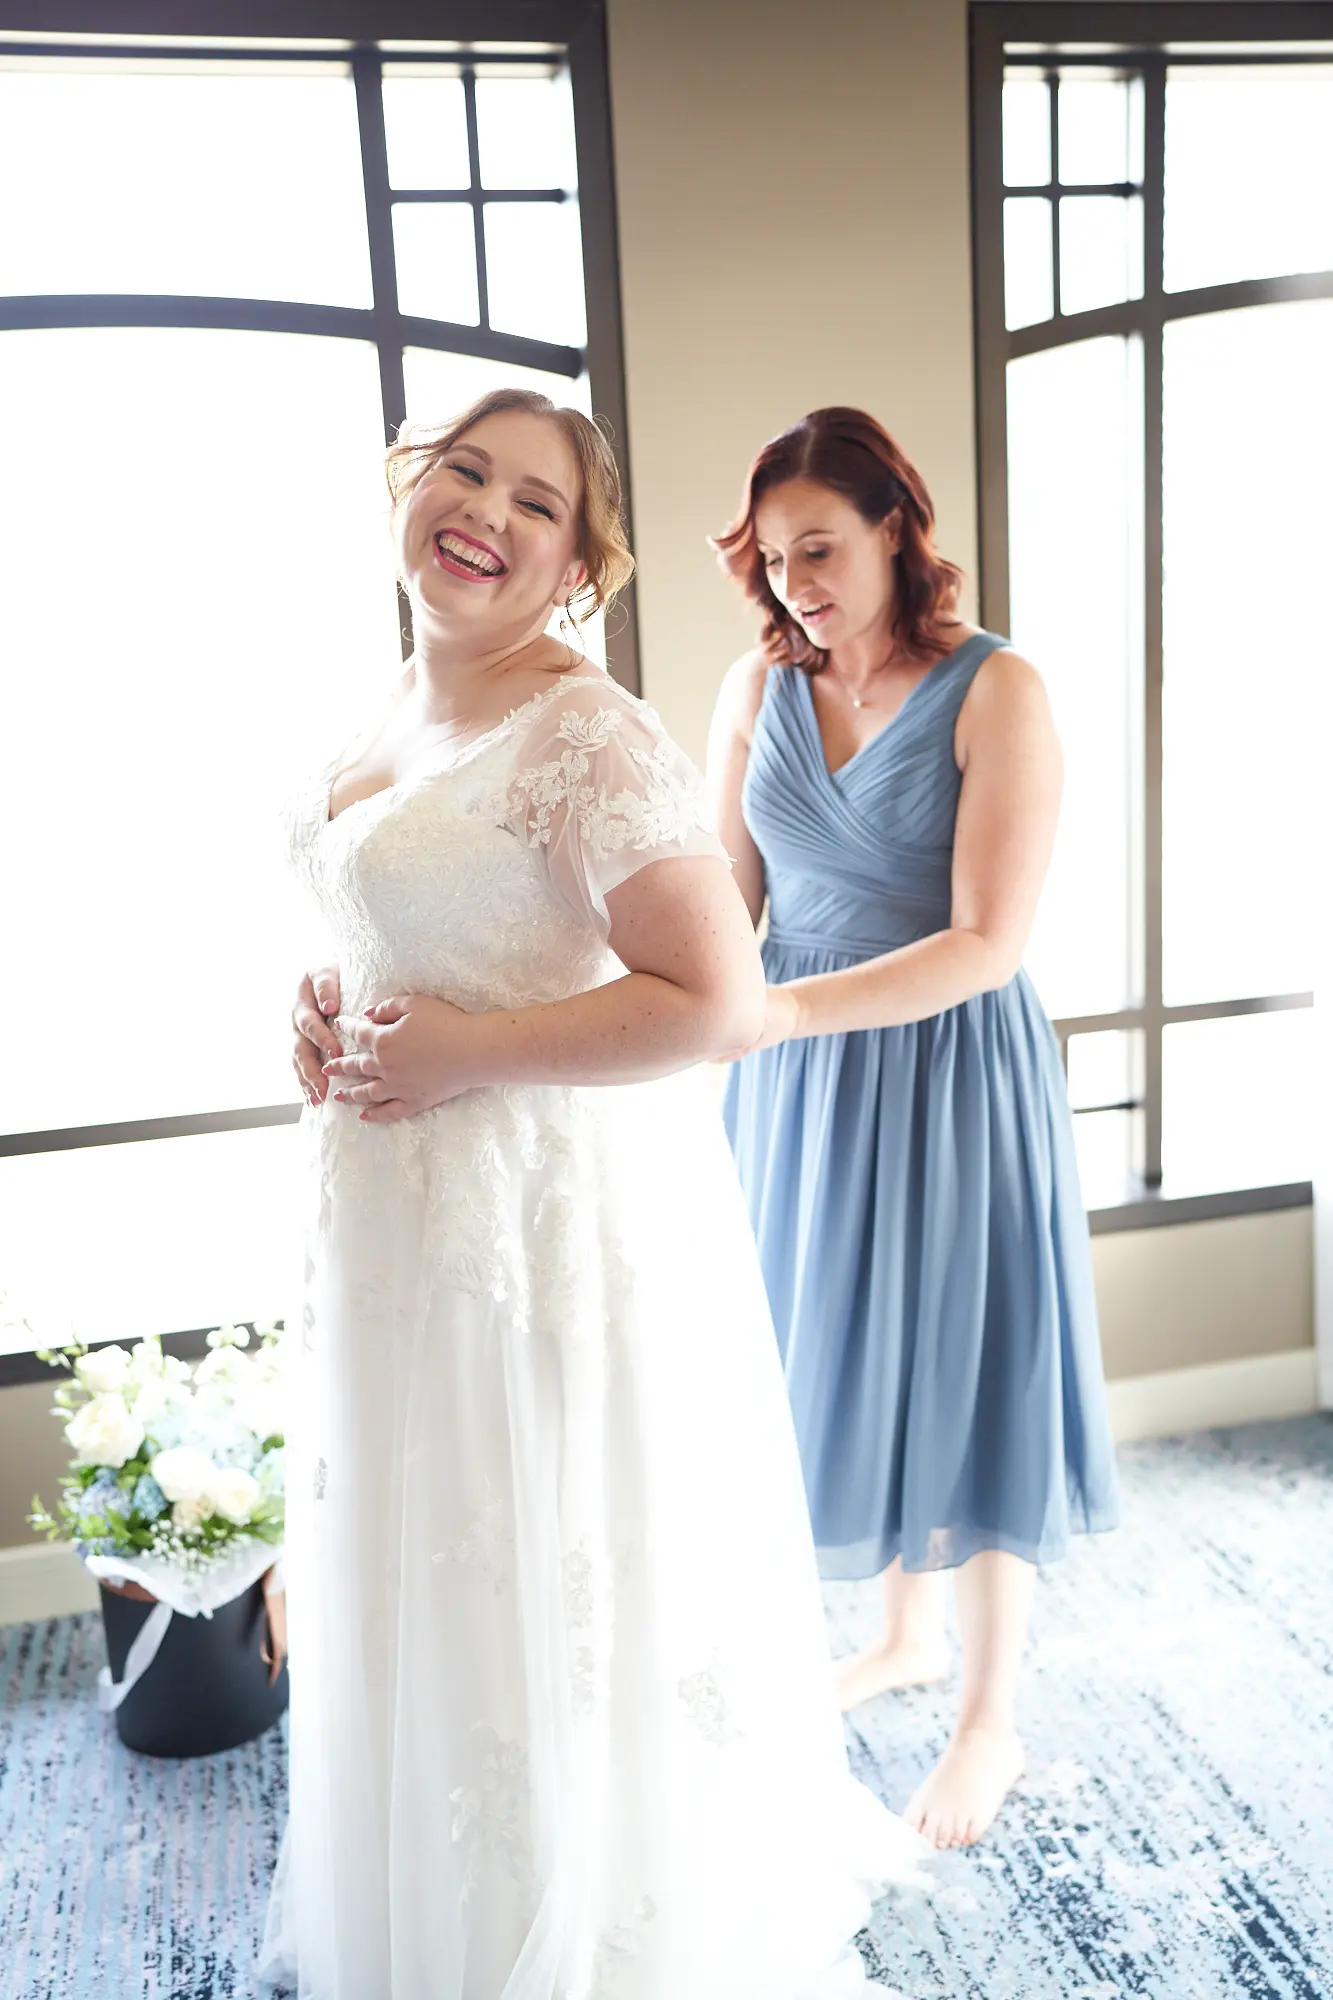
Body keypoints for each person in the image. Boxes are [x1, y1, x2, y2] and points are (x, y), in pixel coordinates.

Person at [264, 388, 925, 2000]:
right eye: (463, 472)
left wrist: (468, 1053)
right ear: (409, 488)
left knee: (535, 1560)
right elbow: (406, 922)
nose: (484, 512)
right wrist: (327, 1008)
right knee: (425, 1563)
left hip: (527, 1225)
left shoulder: (589, 731)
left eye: (536, 503)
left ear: (579, 569)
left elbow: (719, 1000)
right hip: (391, 1214)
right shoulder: (385, 708)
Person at [707, 406, 1119, 1854]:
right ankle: (903, 1634)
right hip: (796, 1081)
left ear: (895, 526)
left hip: (948, 1064)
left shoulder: (999, 691)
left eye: (819, 548)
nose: (796, 583)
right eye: (773, 560)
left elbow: (988, 942)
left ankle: (989, 1715)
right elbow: (721, 905)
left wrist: (779, 1013)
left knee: (971, 1352)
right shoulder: (757, 687)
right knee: (844, 1340)